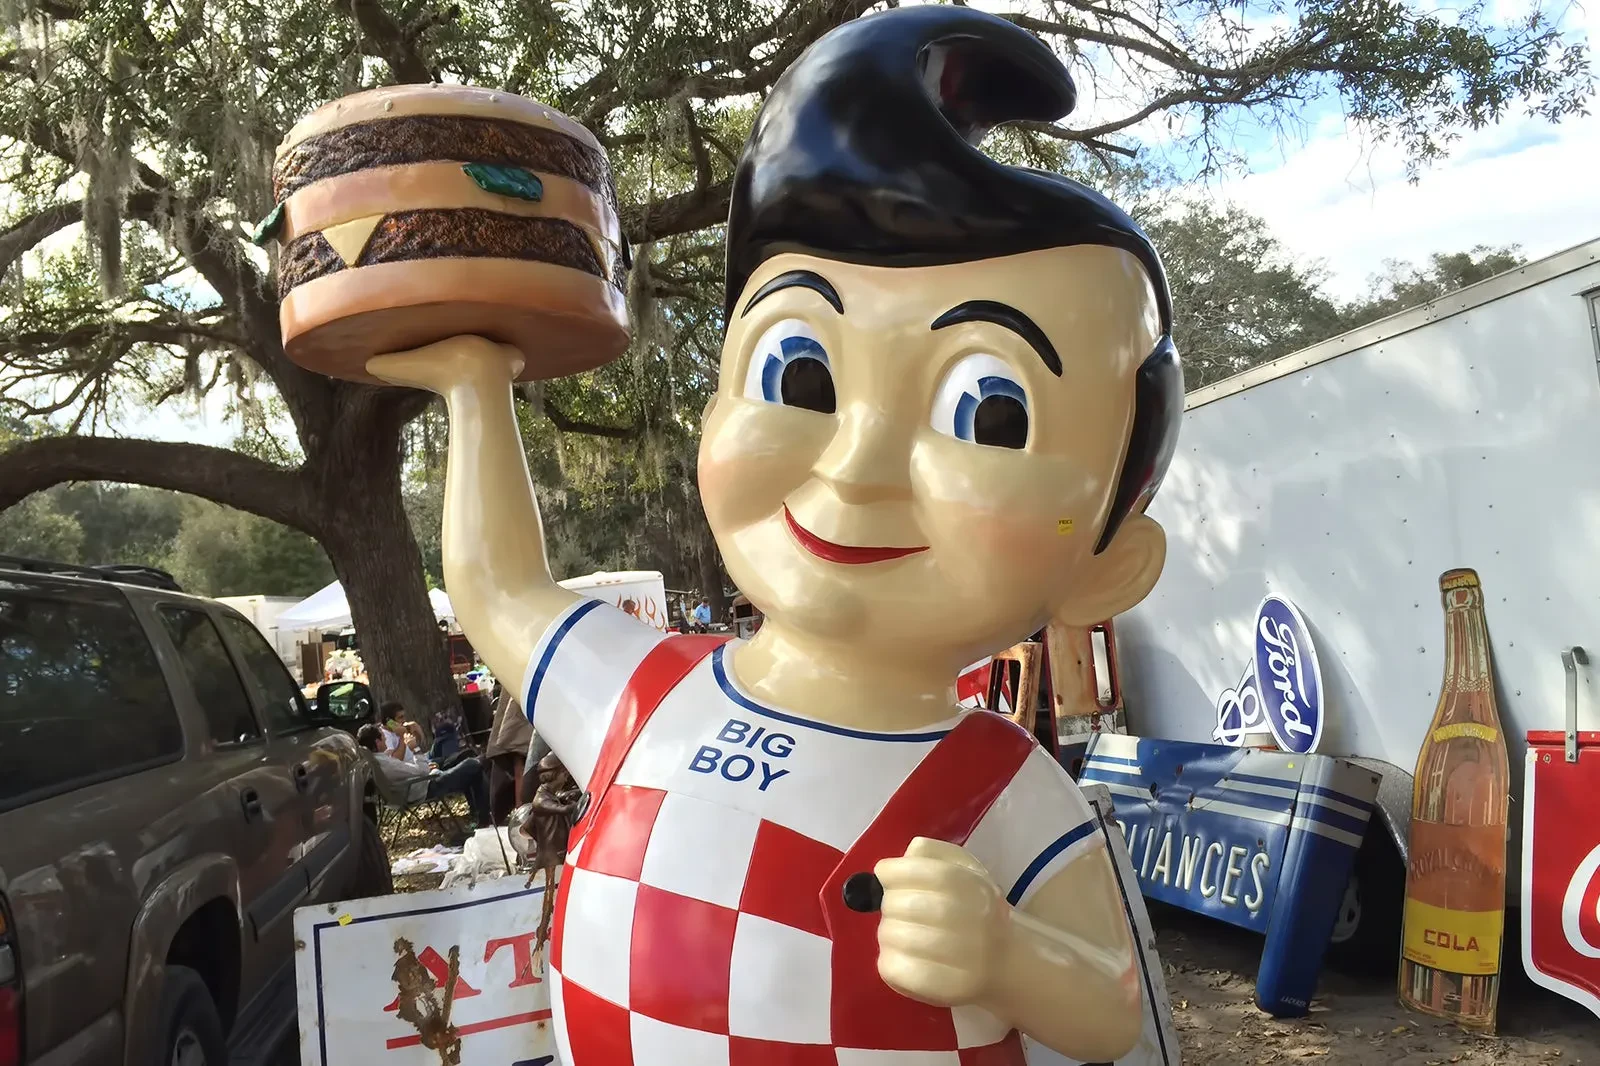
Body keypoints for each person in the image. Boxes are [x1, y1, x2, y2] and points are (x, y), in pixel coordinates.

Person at [367, 7, 1180, 1063]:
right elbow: (499, 588)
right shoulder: (646, 694)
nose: (856, 465)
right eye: (799, 372)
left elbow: (1115, 1002)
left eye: (989, 412)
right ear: (713, 415)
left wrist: (1013, 956)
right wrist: (477, 389)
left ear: (1109, 563)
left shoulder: (999, 783)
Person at [357, 723, 489, 825]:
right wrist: (415, 748)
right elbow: (421, 771)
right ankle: (484, 816)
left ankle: (482, 815)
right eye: (382, 736)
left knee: (467, 762)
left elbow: (410, 769)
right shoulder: (385, 764)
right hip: (425, 787)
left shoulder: (375, 760)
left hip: (417, 785)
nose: (385, 738)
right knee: (472, 764)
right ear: (377, 742)